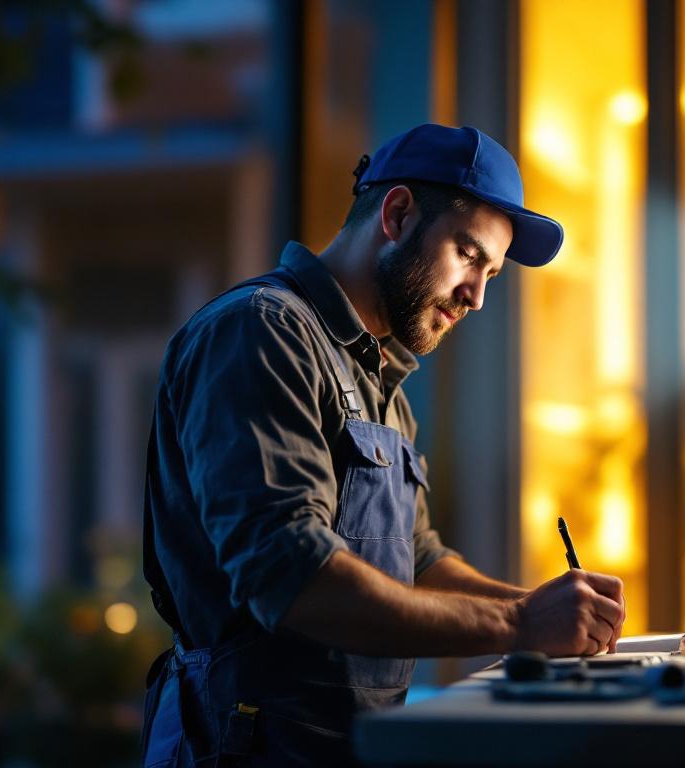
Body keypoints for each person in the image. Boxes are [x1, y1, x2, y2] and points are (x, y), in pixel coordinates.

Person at [140, 124, 627, 766]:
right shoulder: (260, 333)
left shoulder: (383, 384)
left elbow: (418, 562)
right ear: (396, 214)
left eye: (490, 273)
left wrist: (542, 608)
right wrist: (519, 628)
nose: (477, 296)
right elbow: (292, 576)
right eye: (468, 255)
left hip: (344, 745)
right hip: (242, 744)